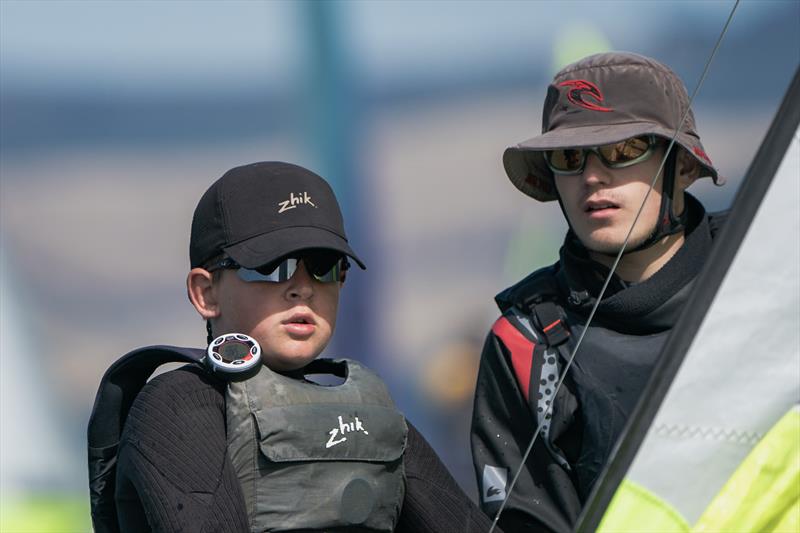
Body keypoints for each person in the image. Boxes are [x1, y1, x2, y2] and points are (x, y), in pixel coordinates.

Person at [88, 162, 497, 532]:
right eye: (271, 267)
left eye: (324, 267)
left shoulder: (369, 406)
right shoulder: (177, 404)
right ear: (206, 293)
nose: (303, 287)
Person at [470, 52, 727, 531]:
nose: (592, 176)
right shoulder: (523, 342)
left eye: (623, 149)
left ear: (684, 167)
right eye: (570, 158)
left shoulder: (769, 278)